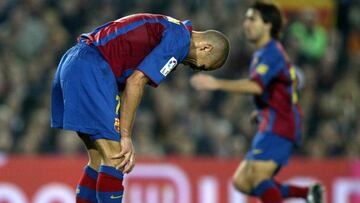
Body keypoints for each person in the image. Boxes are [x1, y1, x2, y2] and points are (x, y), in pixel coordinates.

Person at [51, 13, 229, 203]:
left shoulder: (173, 29)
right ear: (206, 47)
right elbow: (135, 81)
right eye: (202, 66)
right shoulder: (180, 41)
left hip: (75, 61)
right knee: (117, 158)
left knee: (98, 160)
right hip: (92, 67)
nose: (195, 68)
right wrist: (125, 136)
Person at [191, 2, 323, 203]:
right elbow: (281, 86)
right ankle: (307, 194)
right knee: (242, 182)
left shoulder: (271, 53)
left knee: (258, 177)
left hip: (281, 125)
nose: (246, 24)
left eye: (252, 19)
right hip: (270, 122)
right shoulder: (263, 54)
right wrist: (263, 109)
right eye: (246, 18)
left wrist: (216, 83)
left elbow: (257, 86)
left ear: (268, 25)